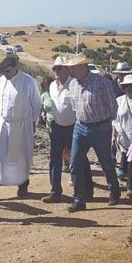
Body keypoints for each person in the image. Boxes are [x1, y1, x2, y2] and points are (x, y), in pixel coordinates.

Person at [0, 55, 42, 198]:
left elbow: (37, 104)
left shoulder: (28, 82)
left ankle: (23, 184)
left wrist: (33, 122)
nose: (5, 74)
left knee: (20, 156)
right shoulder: (1, 81)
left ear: (15, 68)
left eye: (8, 71)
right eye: (3, 72)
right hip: (3, 122)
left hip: (21, 124)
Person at [64, 54, 120, 212]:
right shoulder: (73, 84)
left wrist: (109, 125)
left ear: (83, 67)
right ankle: (79, 199)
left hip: (101, 127)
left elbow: (113, 107)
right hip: (80, 126)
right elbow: (75, 107)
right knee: (75, 162)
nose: (70, 71)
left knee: (106, 162)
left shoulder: (101, 82)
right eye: (70, 68)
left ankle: (114, 191)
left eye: (73, 67)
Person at [41, 56, 76, 203]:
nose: (56, 71)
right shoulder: (52, 86)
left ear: (67, 69)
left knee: (77, 159)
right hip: (57, 127)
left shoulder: (74, 84)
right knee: (55, 159)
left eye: (59, 68)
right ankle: (55, 191)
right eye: (54, 68)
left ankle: (84, 190)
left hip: (74, 127)